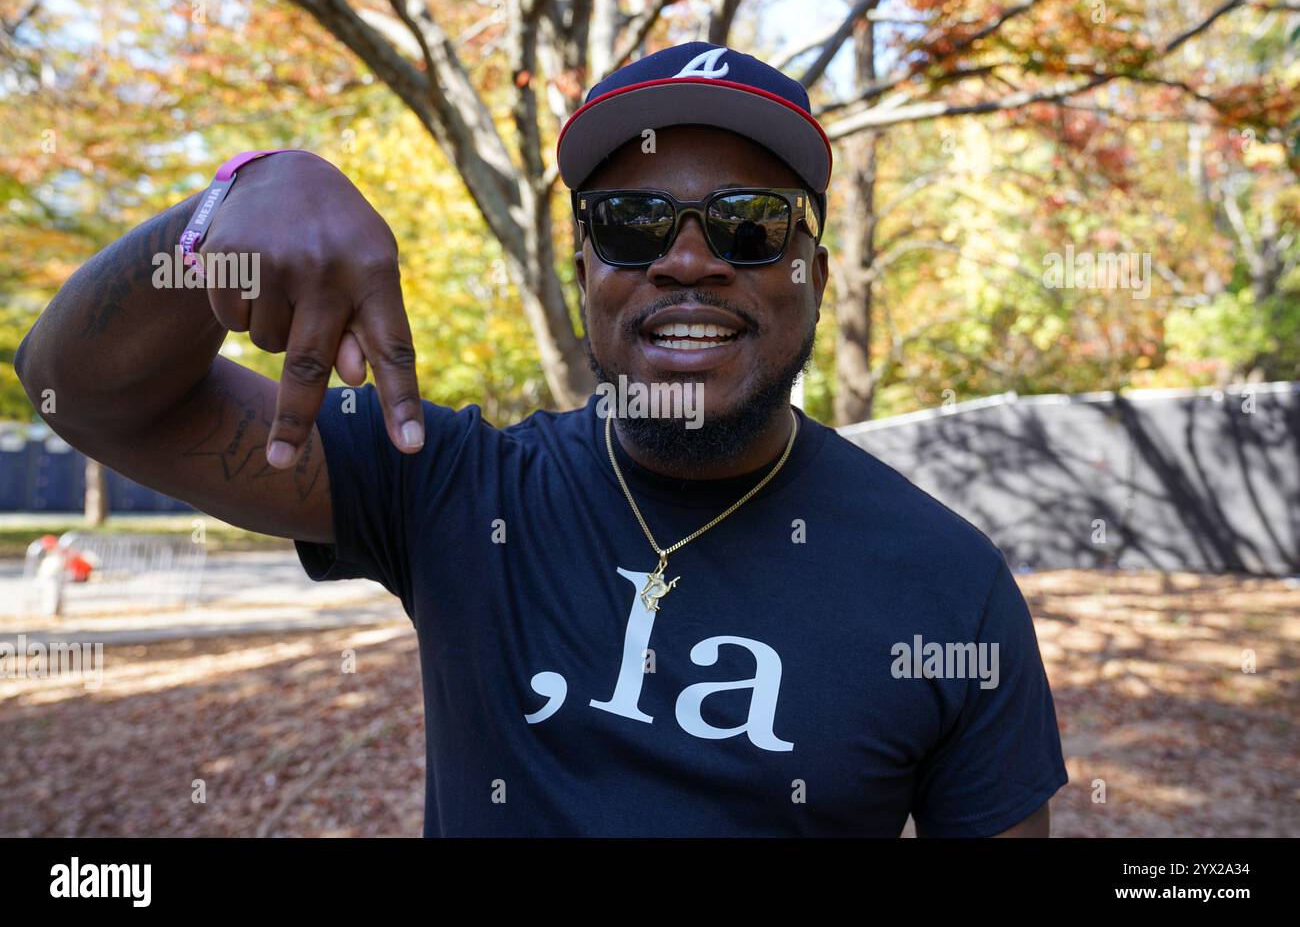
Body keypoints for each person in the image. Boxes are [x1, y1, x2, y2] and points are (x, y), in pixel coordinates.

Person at [15, 41, 1068, 837]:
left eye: (749, 224)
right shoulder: (457, 487)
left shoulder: (946, 583)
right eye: (631, 223)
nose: (688, 261)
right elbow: (79, 391)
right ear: (585, 278)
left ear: (816, 276)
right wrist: (219, 213)